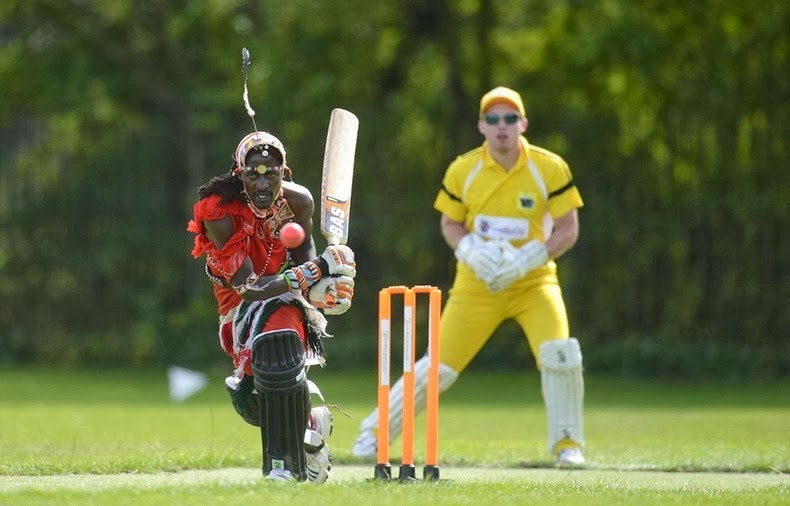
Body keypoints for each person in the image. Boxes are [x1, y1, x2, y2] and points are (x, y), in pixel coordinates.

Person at [352, 86, 586, 466]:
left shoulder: (549, 167)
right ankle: (374, 435)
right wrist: (470, 252)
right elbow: (450, 223)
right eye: (493, 120)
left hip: (534, 283)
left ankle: (567, 445)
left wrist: (530, 257)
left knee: (559, 357)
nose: (502, 127)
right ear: (481, 126)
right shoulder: (464, 169)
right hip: (478, 285)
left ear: (523, 123)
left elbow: (567, 228)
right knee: (437, 366)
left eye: (510, 118)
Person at [188, 130, 357, 482]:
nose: (262, 183)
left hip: (280, 296)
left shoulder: (298, 203)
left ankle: (283, 470)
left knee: (277, 348)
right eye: (253, 174)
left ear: (285, 171)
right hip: (238, 305)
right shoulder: (219, 212)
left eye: (271, 173)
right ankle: (310, 422)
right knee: (253, 403)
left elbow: (304, 257)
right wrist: (320, 269)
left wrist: (326, 290)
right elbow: (250, 288)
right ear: (239, 174)